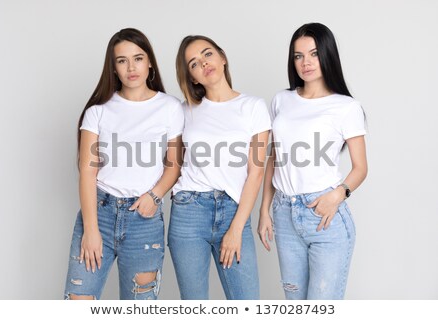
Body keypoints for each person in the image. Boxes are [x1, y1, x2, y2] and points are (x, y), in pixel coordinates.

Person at [64, 28, 184, 300]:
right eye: (122, 60)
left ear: (150, 62)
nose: (131, 67)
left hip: (144, 218)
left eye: (138, 58)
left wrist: (155, 195)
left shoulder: (170, 107)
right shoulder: (98, 111)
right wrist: (91, 230)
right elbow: (87, 172)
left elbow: (174, 165)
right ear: (114, 68)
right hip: (100, 213)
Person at [258, 23, 368, 300]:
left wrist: (338, 195)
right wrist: (264, 210)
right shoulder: (282, 100)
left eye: (313, 54)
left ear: (327, 55)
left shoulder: (346, 107)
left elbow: (360, 168)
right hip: (284, 212)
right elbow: (274, 158)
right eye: (298, 56)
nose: (305, 63)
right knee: (295, 304)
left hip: (324, 215)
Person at [169, 35, 271, 299]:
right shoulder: (184, 110)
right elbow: (172, 161)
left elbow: (256, 172)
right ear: (192, 77)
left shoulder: (253, 107)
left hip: (233, 210)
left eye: (207, 54)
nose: (203, 63)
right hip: (189, 211)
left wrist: (236, 228)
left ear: (222, 57)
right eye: (194, 63)